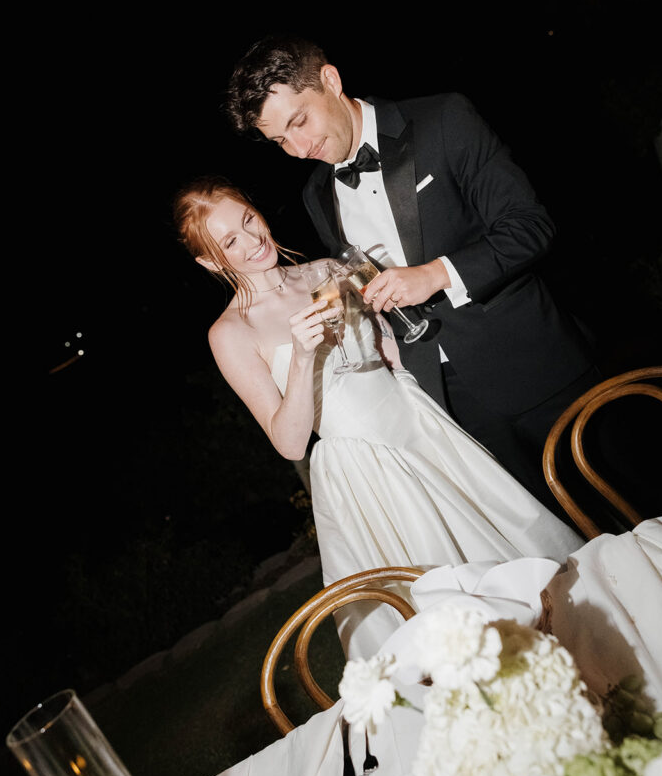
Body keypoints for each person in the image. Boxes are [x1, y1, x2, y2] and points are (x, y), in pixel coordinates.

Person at [173, 175, 583, 658]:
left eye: (248, 219)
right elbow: (288, 442)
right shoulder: (230, 332)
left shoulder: (328, 271)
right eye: (229, 242)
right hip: (368, 470)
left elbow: (389, 349)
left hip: (423, 427)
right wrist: (304, 357)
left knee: (518, 552)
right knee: (448, 602)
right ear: (208, 261)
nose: (253, 241)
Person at [225, 35, 601, 511]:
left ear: (331, 80)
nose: (299, 148)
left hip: (535, 370)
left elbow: (530, 226)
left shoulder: (444, 118)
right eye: (281, 140)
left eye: (299, 121)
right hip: (446, 413)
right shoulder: (316, 195)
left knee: (644, 522)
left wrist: (437, 274)